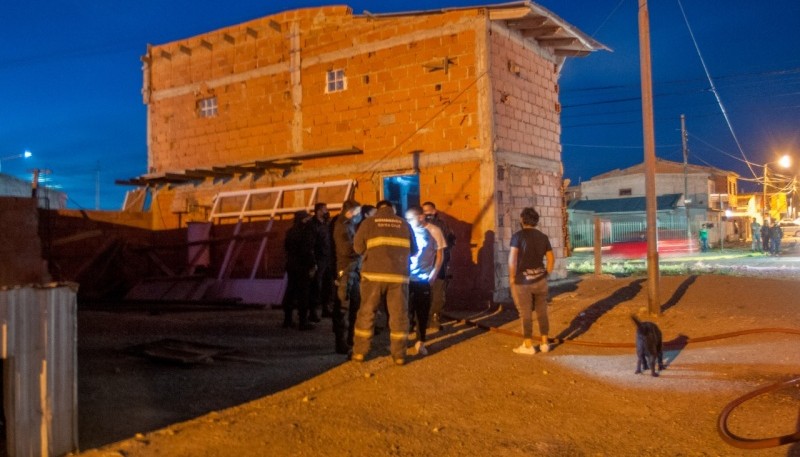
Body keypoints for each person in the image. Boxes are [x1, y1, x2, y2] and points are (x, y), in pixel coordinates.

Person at [351, 200, 417, 365]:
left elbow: (358, 247)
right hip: (398, 277)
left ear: (379, 209)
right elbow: (414, 250)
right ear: (392, 209)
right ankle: (400, 355)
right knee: (399, 315)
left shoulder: (368, 222)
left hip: (373, 276)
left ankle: (360, 352)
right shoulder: (404, 224)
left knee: (367, 312)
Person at [508, 207, 554, 355]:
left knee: (525, 313)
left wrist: (512, 277)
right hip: (541, 280)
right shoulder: (543, 237)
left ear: (522, 219)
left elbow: (512, 260)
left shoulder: (517, 237)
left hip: (523, 281)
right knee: (542, 311)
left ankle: (528, 345)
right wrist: (546, 274)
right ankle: (544, 343)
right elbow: (551, 259)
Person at [404, 206, 445, 357]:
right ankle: (403, 341)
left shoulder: (435, 231)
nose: (407, 222)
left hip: (423, 279)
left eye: (410, 219)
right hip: (406, 278)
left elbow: (440, 255)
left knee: (422, 312)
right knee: (406, 311)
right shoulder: (406, 231)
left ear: (420, 217)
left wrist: (433, 274)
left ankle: (420, 341)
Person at [331, 199, 362, 354]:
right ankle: (340, 342)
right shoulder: (341, 227)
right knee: (342, 307)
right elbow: (345, 250)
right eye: (357, 212)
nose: (358, 215)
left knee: (355, 305)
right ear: (349, 211)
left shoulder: (348, 225)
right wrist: (361, 247)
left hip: (353, 270)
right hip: (345, 270)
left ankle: (351, 338)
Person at [421, 201, 455, 333]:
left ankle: (431, 319)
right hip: (431, 264)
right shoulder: (439, 225)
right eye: (424, 212)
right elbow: (452, 241)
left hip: (433, 263)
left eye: (428, 211)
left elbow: (450, 241)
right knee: (434, 292)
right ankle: (432, 319)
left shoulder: (438, 225)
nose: (426, 214)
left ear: (434, 211)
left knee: (435, 292)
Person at [282, 210, 316, 330]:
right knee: (303, 294)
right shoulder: (305, 232)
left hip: (291, 265)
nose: (309, 220)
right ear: (303, 219)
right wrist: (312, 265)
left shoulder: (290, 232)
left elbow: (286, 248)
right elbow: (308, 250)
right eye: (307, 218)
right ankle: (303, 321)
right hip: (302, 266)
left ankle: (287, 320)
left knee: (290, 292)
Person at [309, 202, 334, 321]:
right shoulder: (313, 225)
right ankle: (313, 312)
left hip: (327, 258)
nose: (326, 212)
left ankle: (325, 308)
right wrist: (313, 262)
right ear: (318, 211)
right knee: (315, 286)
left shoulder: (326, 224)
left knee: (327, 285)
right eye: (325, 209)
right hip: (318, 259)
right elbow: (311, 244)